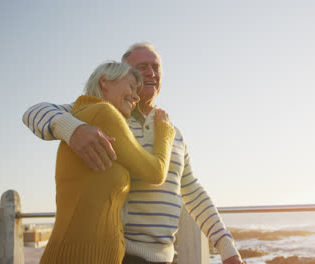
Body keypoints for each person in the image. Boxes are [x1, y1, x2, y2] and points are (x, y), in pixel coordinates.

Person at [22, 43, 243, 264]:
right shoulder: (105, 113)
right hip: (120, 255)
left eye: (156, 67)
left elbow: (192, 191)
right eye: (142, 67)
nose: (150, 73)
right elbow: (34, 112)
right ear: (121, 73)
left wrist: (226, 247)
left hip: (167, 257)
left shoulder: (174, 134)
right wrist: (73, 130)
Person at [39, 61, 176, 264]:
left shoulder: (84, 115)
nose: (136, 96)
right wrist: (165, 131)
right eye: (131, 86)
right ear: (105, 82)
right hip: (86, 256)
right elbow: (155, 171)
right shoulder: (104, 113)